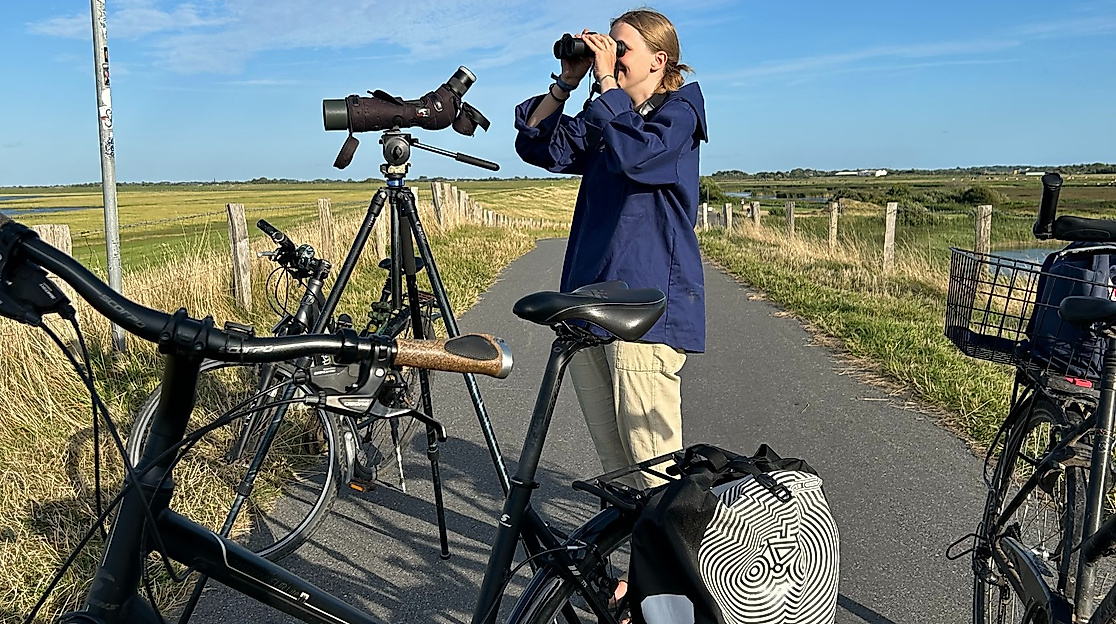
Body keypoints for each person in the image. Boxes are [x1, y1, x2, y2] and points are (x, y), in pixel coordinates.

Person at [514, 9, 707, 497]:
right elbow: (541, 147)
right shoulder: (609, 117)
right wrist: (567, 82)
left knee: (653, 464)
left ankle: (668, 571)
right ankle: (633, 568)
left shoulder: (678, 114)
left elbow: (637, 156)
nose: (613, 57)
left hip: (644, 309)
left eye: (623, 49)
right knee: (616, 466)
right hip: (588, 302)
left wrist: (604, 83)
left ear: (658, 60)